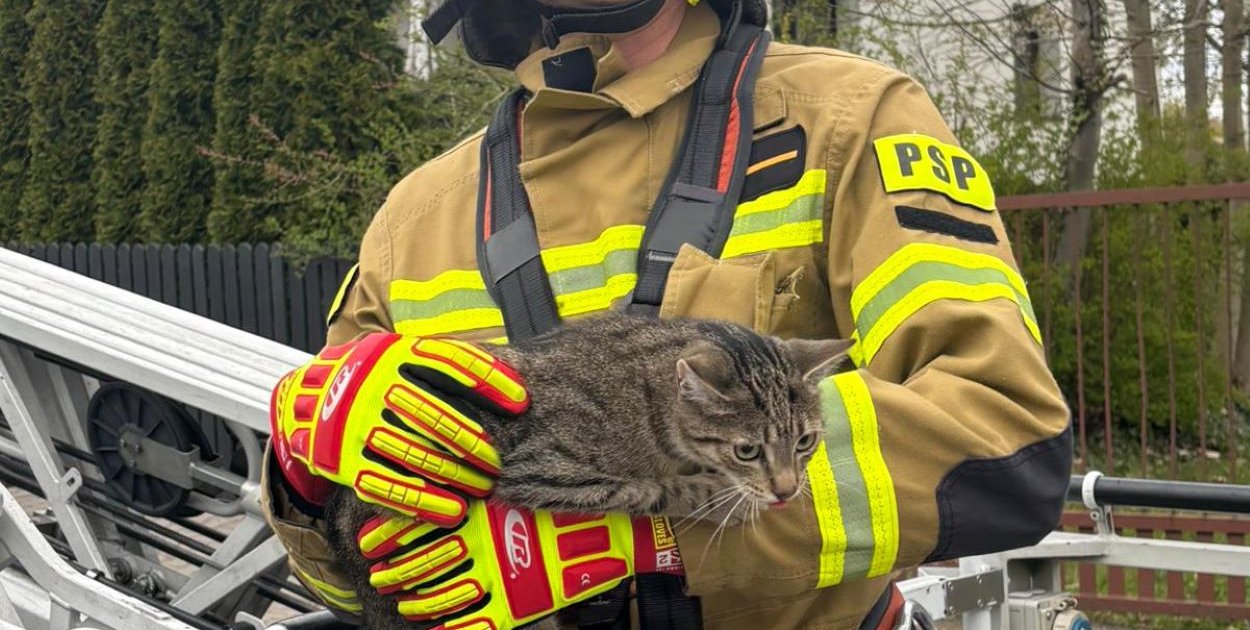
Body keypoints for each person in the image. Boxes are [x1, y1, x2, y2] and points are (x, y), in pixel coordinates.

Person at [264, 0, 1074, 628]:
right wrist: (305, 492)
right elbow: (343, 580)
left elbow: (1005, 442)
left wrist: (646, 536)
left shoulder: (847, 118)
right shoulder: (417, 213)